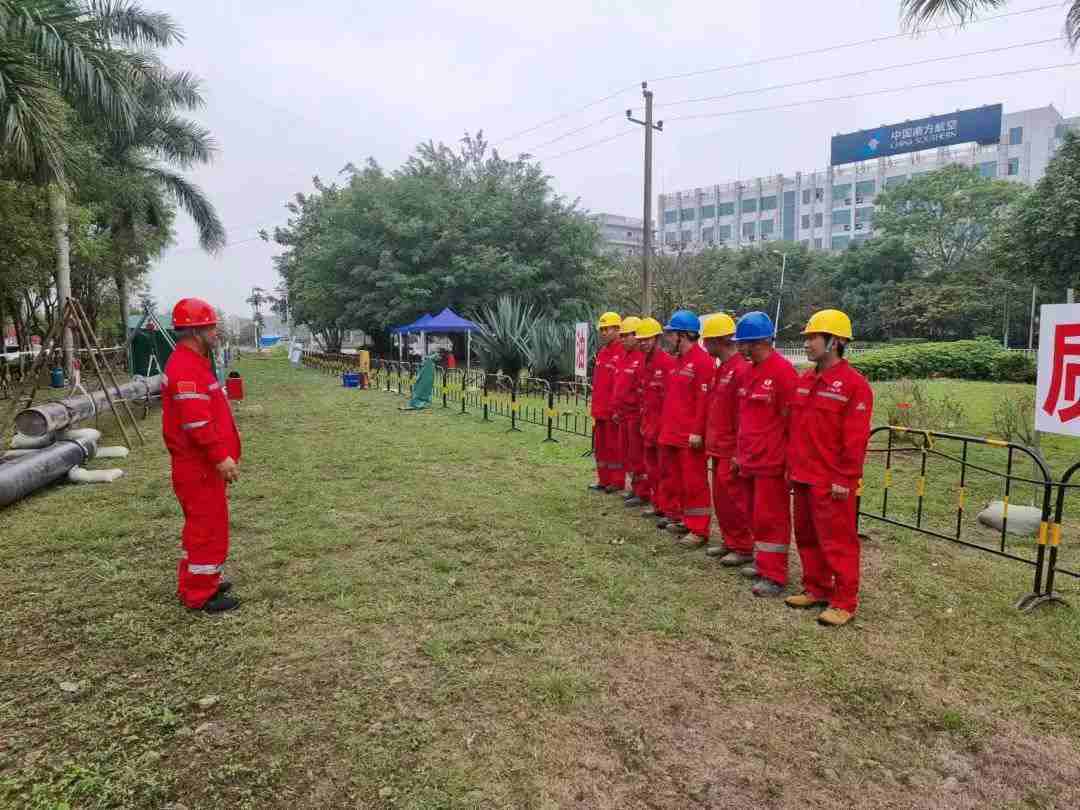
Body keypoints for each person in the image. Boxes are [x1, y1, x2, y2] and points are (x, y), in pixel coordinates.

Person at [785, 310, 874, 627]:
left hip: (832, 479)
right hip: (804, 474)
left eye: (813, 338)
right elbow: (796, 429)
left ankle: (844, 601)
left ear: (834, 341)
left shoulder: (854, 385)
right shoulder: (806, 380)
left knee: (838, 541)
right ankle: (816, 588)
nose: (807, 344)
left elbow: (855, 439)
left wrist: (845, 478)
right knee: (806, 535)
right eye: (807, 338)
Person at [163, 298, 242, 613]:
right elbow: (197, 422)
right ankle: (200, 594)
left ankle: (200, 581)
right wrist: (220, 456)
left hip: (200, 466)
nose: (216, 331)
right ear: (195, 330)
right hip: (199, 466)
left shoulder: (194, 362)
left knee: (203, 526)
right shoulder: (185, 367)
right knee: (207, 528)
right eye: (211, 326)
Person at [733, 311, 798, 597]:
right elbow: (745, 418)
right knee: (755, 516)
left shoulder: (783, 373)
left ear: (757, 342)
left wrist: (789, 462)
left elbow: (791, 422)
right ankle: (762, 563)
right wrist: (739, 453)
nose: (739, 348)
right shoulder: (748, 373)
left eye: (742, 343)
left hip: (772, 461)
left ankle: (775, 575)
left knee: (772, 519)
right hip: (749, 458)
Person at [657, 310, 714, 549]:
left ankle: (699, 528)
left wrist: (698, 432)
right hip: (672, 431)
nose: (669, 338)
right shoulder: (677, 362)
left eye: (672, 334)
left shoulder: (703, 362)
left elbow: (704, 401)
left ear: (684, 335)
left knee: (694, 483)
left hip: (689, 436)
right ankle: (682, 518)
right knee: (676, 479)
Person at [701, 313, 755, 567]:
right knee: (722, 500)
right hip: (717, 445)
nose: (704, 345)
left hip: (731, 447)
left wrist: (738, 451)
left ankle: (743, 546)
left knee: (735, 500)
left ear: (720, 341)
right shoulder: (721, 369)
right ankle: (730, 540)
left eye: (708, 340)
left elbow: (743, 415)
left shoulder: (741, 370)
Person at [635, 317, 676, 519]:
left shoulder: (667, 363)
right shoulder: (644, 363)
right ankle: (656, 502)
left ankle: (667, 507)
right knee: (651, 468)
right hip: (648, 424)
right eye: (640, 340)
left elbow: (671, 399)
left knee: (665, 470)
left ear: (657, 339)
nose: (643, 343)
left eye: (647, 339)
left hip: (663, 426)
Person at [589, 312, 625, 493]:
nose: (603, 333)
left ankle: (616, 481)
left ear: (618, 330)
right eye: (601, 329)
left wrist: (616, 408)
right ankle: (603, 479)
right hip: (600, 409)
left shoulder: (623, 352)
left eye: (606, 329)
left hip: (613, 411)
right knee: (601, 448)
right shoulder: (603, 353)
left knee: (614, 448)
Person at [611, 316, 645, 504]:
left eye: (626, 335)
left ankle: (642, 491)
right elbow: (620, 386)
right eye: (621, 335)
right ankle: (634, 487)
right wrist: (617, 409)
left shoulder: (641, 358)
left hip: (635, 415)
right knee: (628, 455)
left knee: (638, 456)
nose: (622, 339)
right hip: (623, 414)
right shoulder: (624, 357)